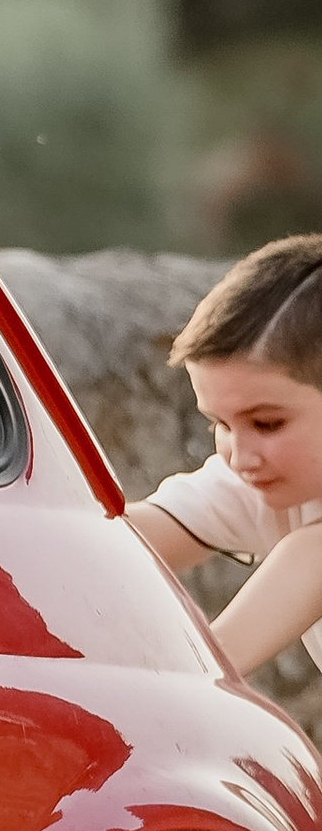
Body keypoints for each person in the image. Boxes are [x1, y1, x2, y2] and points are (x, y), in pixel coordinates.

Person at [130, 233, 322, 676]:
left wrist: (196, 677)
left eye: (267, 423)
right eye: (220, 424)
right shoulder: (265, 481)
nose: (240, 457)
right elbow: (107, 544)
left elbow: (208, 677)